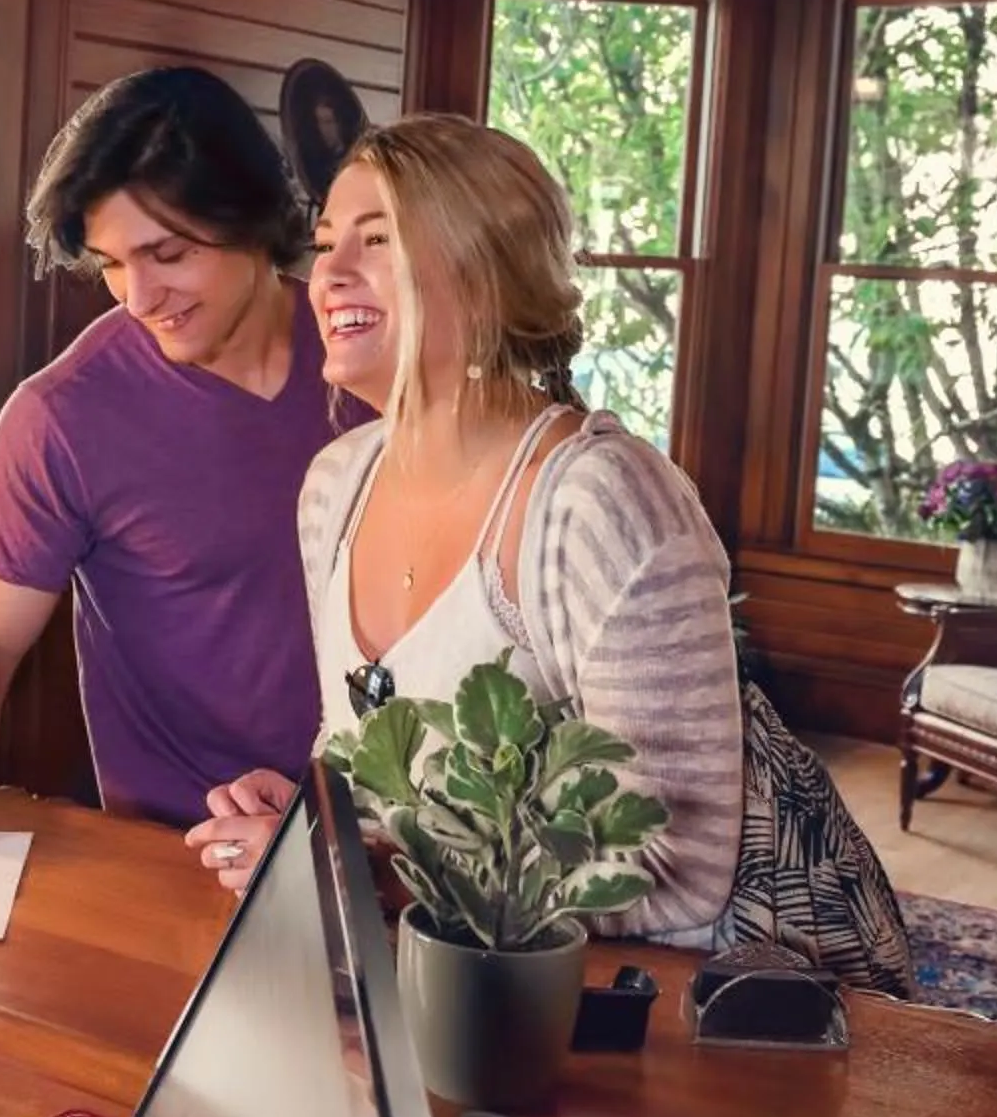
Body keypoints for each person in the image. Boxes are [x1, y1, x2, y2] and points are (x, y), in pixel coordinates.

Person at [192, 117, 916, 994]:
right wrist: (315, 825)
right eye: (324, 242)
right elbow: (363, 742)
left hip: (680, 1001)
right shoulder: (334, 486)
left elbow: (678, 861)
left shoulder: (599, 502)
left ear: (487, 278)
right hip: (448, 973)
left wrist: (381, 875)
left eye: (377, 240)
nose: (328, 274)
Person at [0, 65, 356, 835]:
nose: (139, 298)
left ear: (252, 214)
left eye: (168, 254)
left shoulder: (375, 363)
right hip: (177, 855)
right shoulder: (64, 417)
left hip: (384, 851)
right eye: (112, 264)